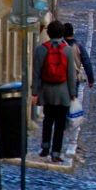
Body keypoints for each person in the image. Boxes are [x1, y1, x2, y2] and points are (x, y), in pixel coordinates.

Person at [31, 20, 77, 163]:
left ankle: (45, 147)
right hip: (63, 93)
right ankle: (56, 152)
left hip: (46, 92)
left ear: (48, 33)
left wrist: (35, 92)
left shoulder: (41, 50)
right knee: (60, 124)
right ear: (62, 33)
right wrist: (73, 93)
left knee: (47, 120)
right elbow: (71, 75)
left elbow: (36, 73)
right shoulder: (68, 50)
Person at [63, 22, 95, 90]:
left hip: (61, 78)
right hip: (74, 77)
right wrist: (91, 79)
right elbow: (87, 63)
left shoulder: (59, 46)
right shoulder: (78, 46)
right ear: (72, 33)